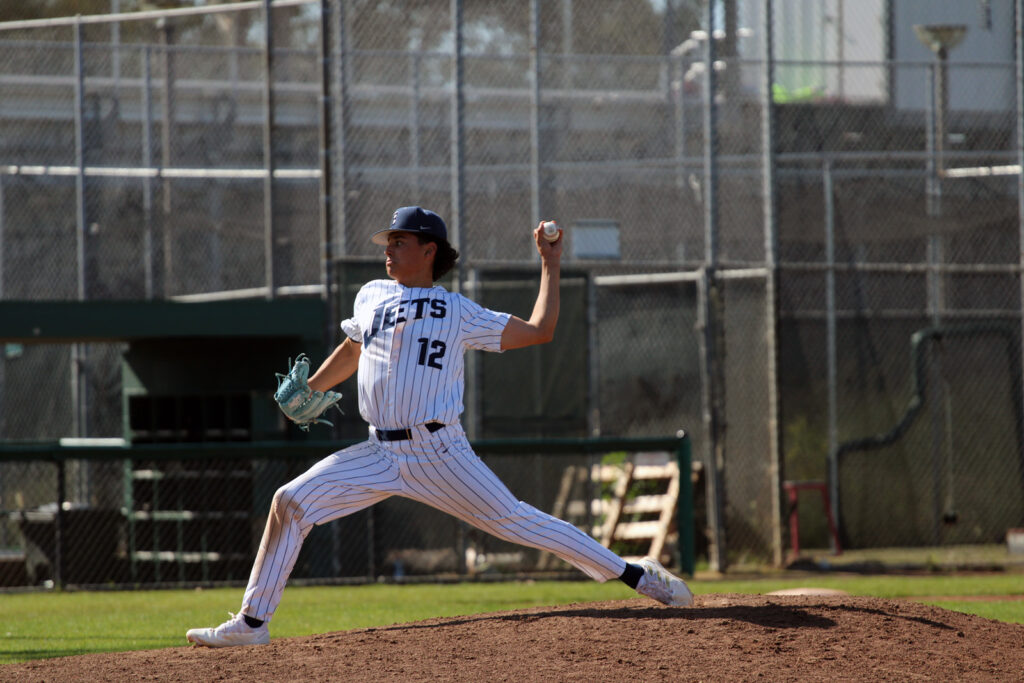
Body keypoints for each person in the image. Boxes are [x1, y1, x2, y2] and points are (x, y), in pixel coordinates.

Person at [186, 206, 693, 648]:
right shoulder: (372, 295)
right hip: (377, 452)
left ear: (429, 250)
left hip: (439, 453)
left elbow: (541, 331)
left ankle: (636, 575)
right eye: (388, 242)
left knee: (518, 522)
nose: (389, 250)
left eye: (400, 242)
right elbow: (354, 347)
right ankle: (253, 622)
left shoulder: (458, 310)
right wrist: (312, 389)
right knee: (289, 502)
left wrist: (550, 263)